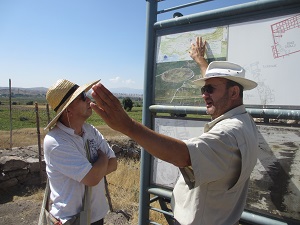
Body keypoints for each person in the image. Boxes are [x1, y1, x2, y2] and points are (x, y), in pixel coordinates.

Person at [90, 37, 259, 225]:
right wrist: (201, 62)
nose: (203, 94)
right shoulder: (244, 120)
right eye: (203, 88)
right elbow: (221, 94)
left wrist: (128, 126)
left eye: (209, 88)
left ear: (234, 93)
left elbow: (185, 156)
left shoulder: (229, 133)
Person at [43, 79, 117, 225]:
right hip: (70, 219)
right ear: (68, 109)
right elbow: (92, 179)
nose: (88, 99)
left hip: (96, 216)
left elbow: (114, 164)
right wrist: (102, 158)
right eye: (82, 96)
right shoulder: (55, 142)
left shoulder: (90, 130)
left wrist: (95, 171)